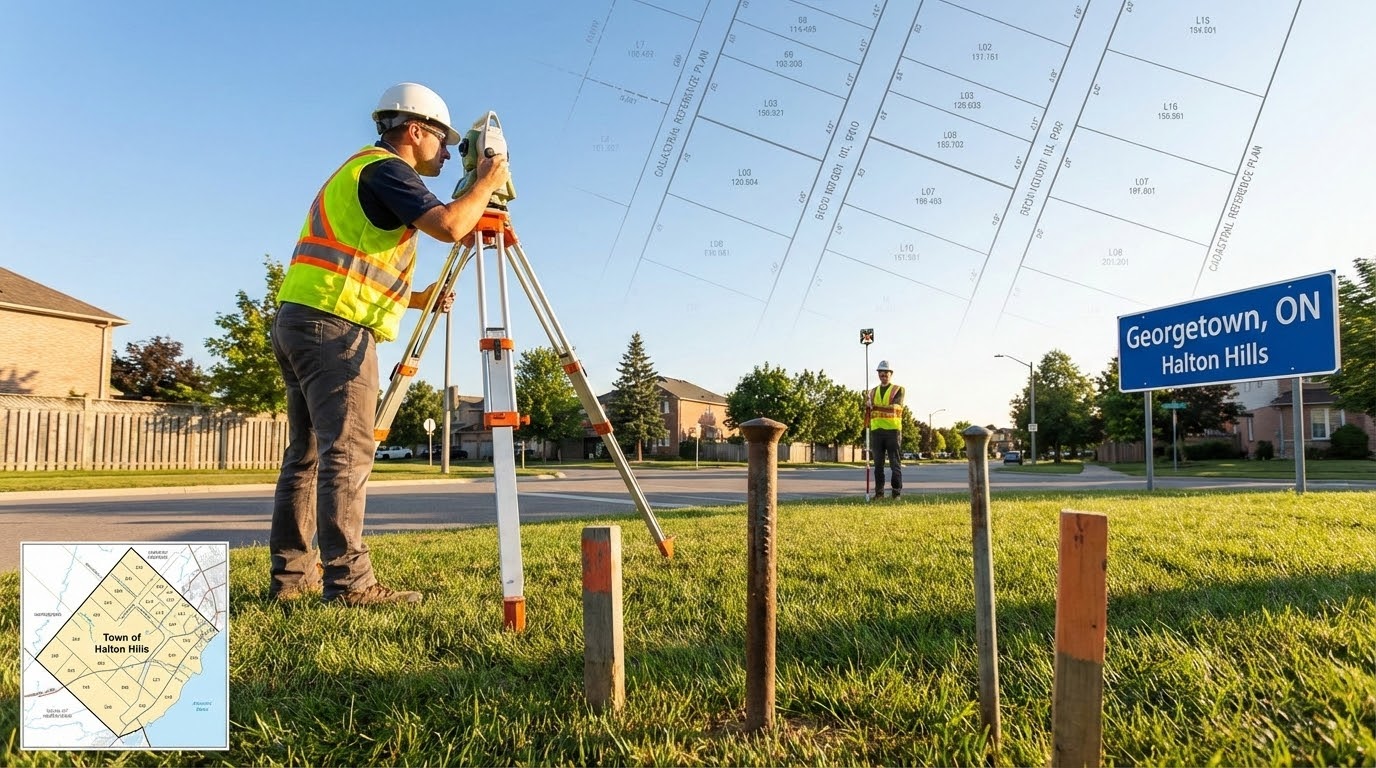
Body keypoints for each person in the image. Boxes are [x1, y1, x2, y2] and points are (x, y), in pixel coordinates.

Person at [269, 82, 510, 606]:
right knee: (346, 454)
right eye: (443, 141)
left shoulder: (361, 169)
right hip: (334, 329)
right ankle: (349, 585)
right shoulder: (388, 170)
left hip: (302, 317)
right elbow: (450, 225)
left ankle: (291, 579)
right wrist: (488, 182)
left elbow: (357, 262)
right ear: (415, 131)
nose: (448, 153)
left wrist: (417, 298)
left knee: (307, 457)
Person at [865, 360, 905, 499]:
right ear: (878, 374)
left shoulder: (898, 390)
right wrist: (868, 405)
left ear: (891, 374)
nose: (883, 375)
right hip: (877, 431)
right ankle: (879, 493)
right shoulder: (871, 392)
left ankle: (896, 493)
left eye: (886, 373)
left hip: (893, 431)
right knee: (878, 466)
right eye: (881, 373)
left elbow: (895, 408)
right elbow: (869, 411)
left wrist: (874, 406)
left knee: (895, 464)